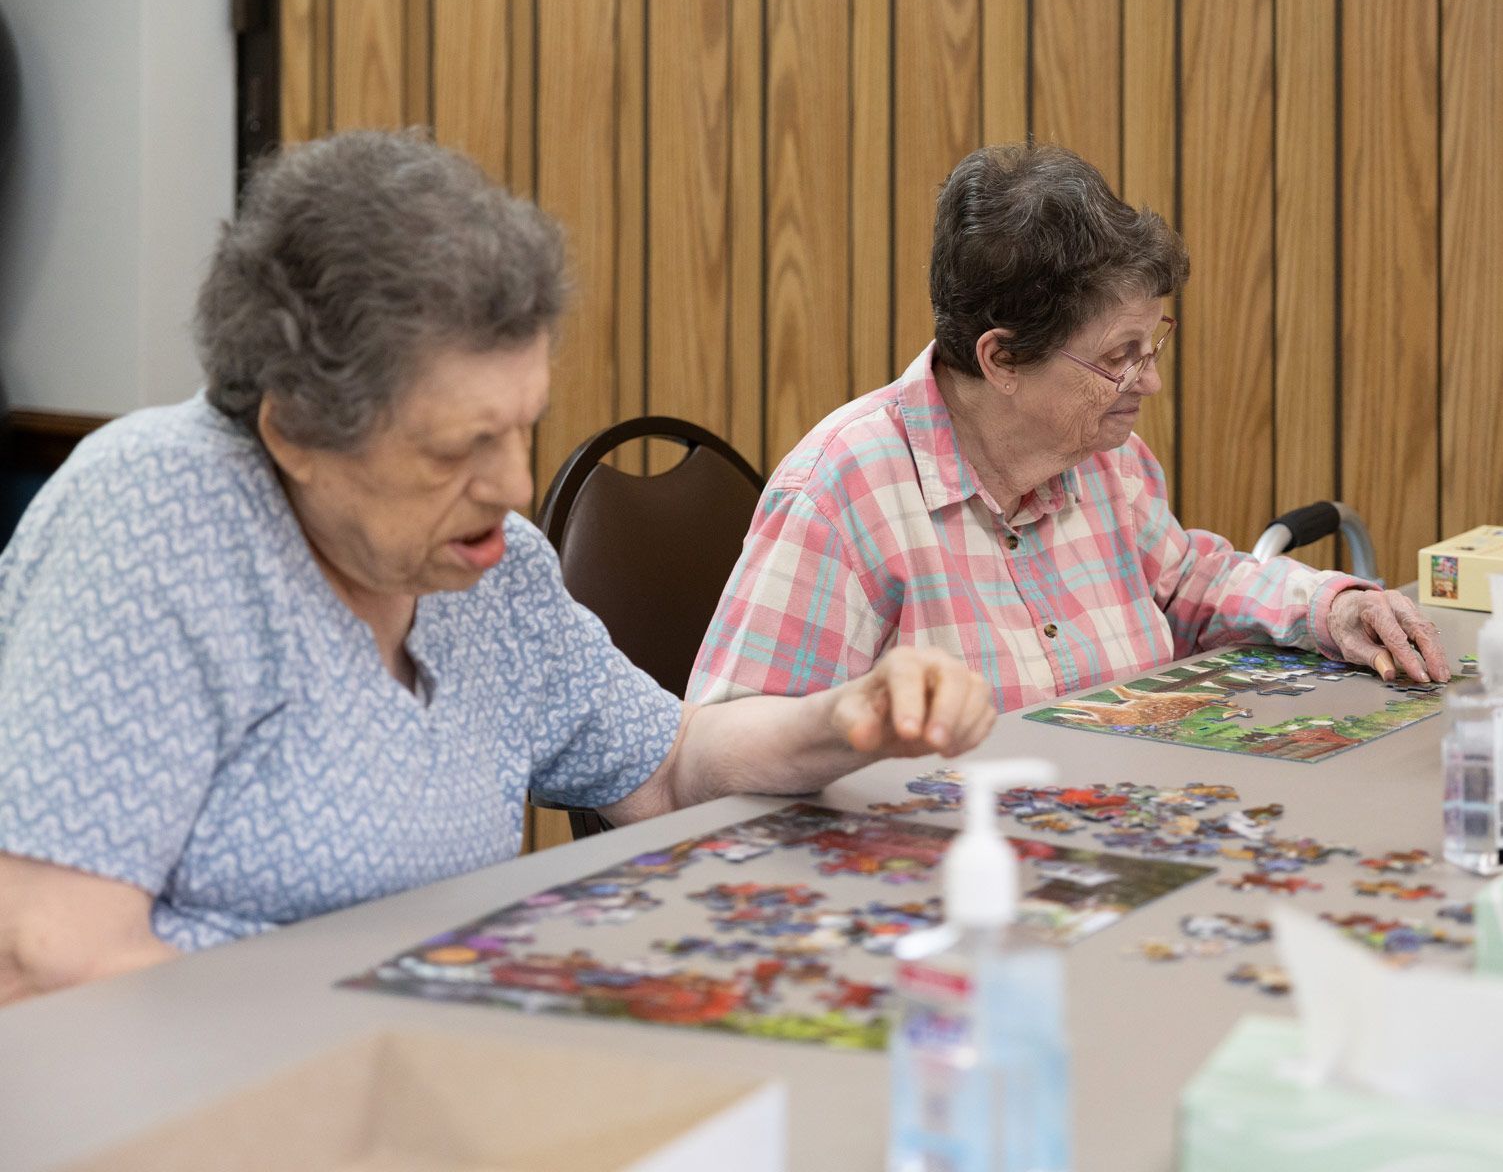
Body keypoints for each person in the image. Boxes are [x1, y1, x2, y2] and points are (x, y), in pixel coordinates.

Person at [0, 131, 994, 1005]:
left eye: (525, 427)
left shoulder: (495, 573)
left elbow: (671, 767)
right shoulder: (150, 522)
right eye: (454, 451)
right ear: (296, 429)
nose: (514, 486)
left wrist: (846, 719)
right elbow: (52, 964)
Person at [690, 143, 1448, 713]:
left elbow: (1186, 584)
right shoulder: (841, 491)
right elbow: (733, 748)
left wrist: (1331, 608)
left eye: (1153, 345)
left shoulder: (1103, 456)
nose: (1147, 380)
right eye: (1120, 356)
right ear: (1002, 358)